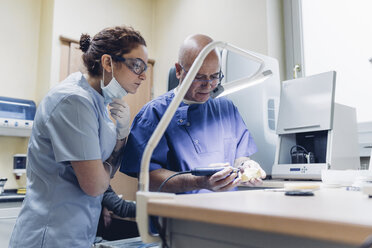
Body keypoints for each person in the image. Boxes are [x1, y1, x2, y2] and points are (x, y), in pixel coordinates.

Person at [9, 25, 148, 248]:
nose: (142, 75)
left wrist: (121, 136)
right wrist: (105, 174)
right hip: (50, 234)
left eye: (145, 69)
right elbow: (95, 185)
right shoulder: (74, 101)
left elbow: (103, 175)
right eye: (137, 65)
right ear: (107, 63)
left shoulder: (98, 103)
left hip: (77, 232)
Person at [120, 34, 265, 194]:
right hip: (178, 215)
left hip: (226, 211)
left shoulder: (226, 108)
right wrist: (198, 182)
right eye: (199, 76)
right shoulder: (154, 114)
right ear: (178, 71)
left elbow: (240, 156)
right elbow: (148, 178)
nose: (208, 85)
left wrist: (246, 166)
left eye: (215, 76)